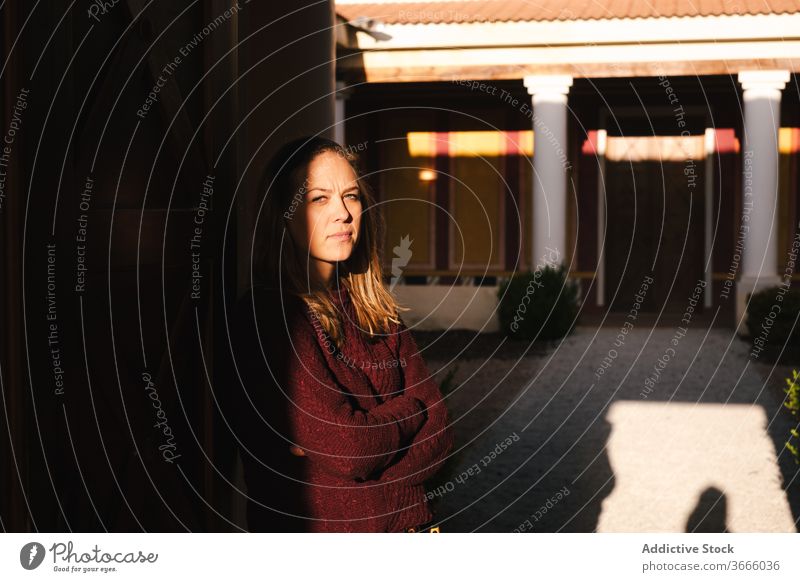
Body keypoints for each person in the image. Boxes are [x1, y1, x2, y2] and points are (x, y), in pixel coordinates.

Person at [230, 135, 454, 532]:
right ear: (284, 213)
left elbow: (440, 441)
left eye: (351, 196)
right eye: (320, 198)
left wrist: (363, 438)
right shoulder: (269, 316)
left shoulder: (376, 310)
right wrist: (413, 411)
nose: (343, 214)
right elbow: (350, 449)